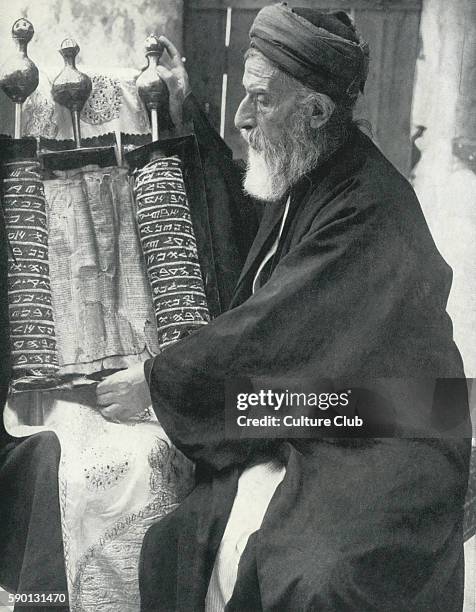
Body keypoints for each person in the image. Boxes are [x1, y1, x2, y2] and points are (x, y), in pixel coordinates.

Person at [97, 5, 471, 610]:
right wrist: (188, 107)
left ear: (316, 112)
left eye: (261, 101)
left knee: (312, 578)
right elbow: (249, 237)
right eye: (243, 95)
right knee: (175, 542)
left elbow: (272, 326)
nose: (243, 117)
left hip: (397, 430)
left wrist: (156, 379)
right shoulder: (313, 165)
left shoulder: (370, 208)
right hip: (330, 412)